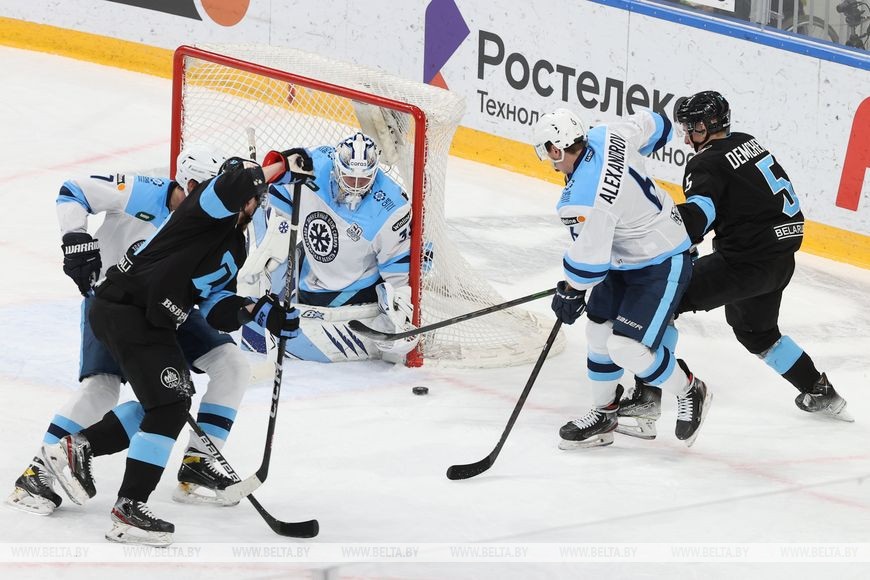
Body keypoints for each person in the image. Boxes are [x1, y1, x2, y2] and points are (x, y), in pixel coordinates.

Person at [37, 152, 304, 546]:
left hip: (151, 319)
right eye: (253, 195)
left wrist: (259, 312)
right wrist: (281, 166)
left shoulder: (235, 244)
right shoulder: (204, 210)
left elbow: (215, 306)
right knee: (158, 402)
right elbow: (233, 185)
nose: (255, 202)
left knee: (168, 404)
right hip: (127, 308)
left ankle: (82, 452)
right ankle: (124, 504)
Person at [6, 145, 258, 516]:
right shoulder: (145, 192)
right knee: (103, 388)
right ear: (191, 185)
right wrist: (75, 238)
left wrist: (253, 311)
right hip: (117, 302)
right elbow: (73, 190)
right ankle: (39, 472)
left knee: (227, 366)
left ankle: (199, 463)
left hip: (170, 310)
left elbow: (212, 297)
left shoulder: (222, 230)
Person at [622, 91, 852, 432]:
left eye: (691, 129)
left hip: (744, 263)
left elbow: (699, 217)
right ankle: (820, 391)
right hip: (780, 262)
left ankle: (647, 400)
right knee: (757, 333)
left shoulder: (705, 163)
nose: (686, 138)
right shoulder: (747, 142)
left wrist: (659, 241)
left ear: (706, 126)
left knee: (661, 301)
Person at [532, 108, 712, 450]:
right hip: (626, 256)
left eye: (547, 153)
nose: (550, 163)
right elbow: (658, 124)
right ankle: (604, 415)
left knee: (626, 347)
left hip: (662, 259)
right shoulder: (607, 134)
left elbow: (589, 265)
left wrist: (571, 292)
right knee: (598, 333)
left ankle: (691, 389)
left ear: (556, 149)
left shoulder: (582, 198)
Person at [237, 132, 418, 364]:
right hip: (309, 273)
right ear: (336, 167)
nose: (355, 188)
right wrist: (267, 241)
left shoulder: (391, 207)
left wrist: (399, 312)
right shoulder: (316, 164)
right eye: (349, 178)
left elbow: (397, 268)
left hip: (354, 289)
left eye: (363, 181)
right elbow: (276, 198)